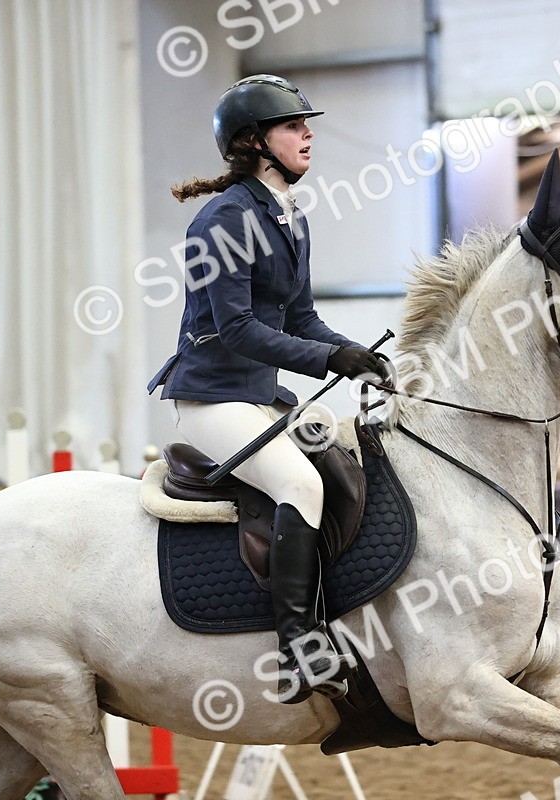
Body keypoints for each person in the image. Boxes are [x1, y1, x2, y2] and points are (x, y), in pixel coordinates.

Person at [147, 75, 387, 704]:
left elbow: (302, 319)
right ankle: (297, 650)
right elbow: (237, 329)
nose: (308, 135)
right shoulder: (225, 219)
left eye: (306, 126)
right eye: (293, 126)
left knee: (343, 466)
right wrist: (330, 358)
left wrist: (358, 355)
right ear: (255, 141)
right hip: (211, 399)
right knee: (300, 484)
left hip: (258, 396)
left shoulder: (289, 217)